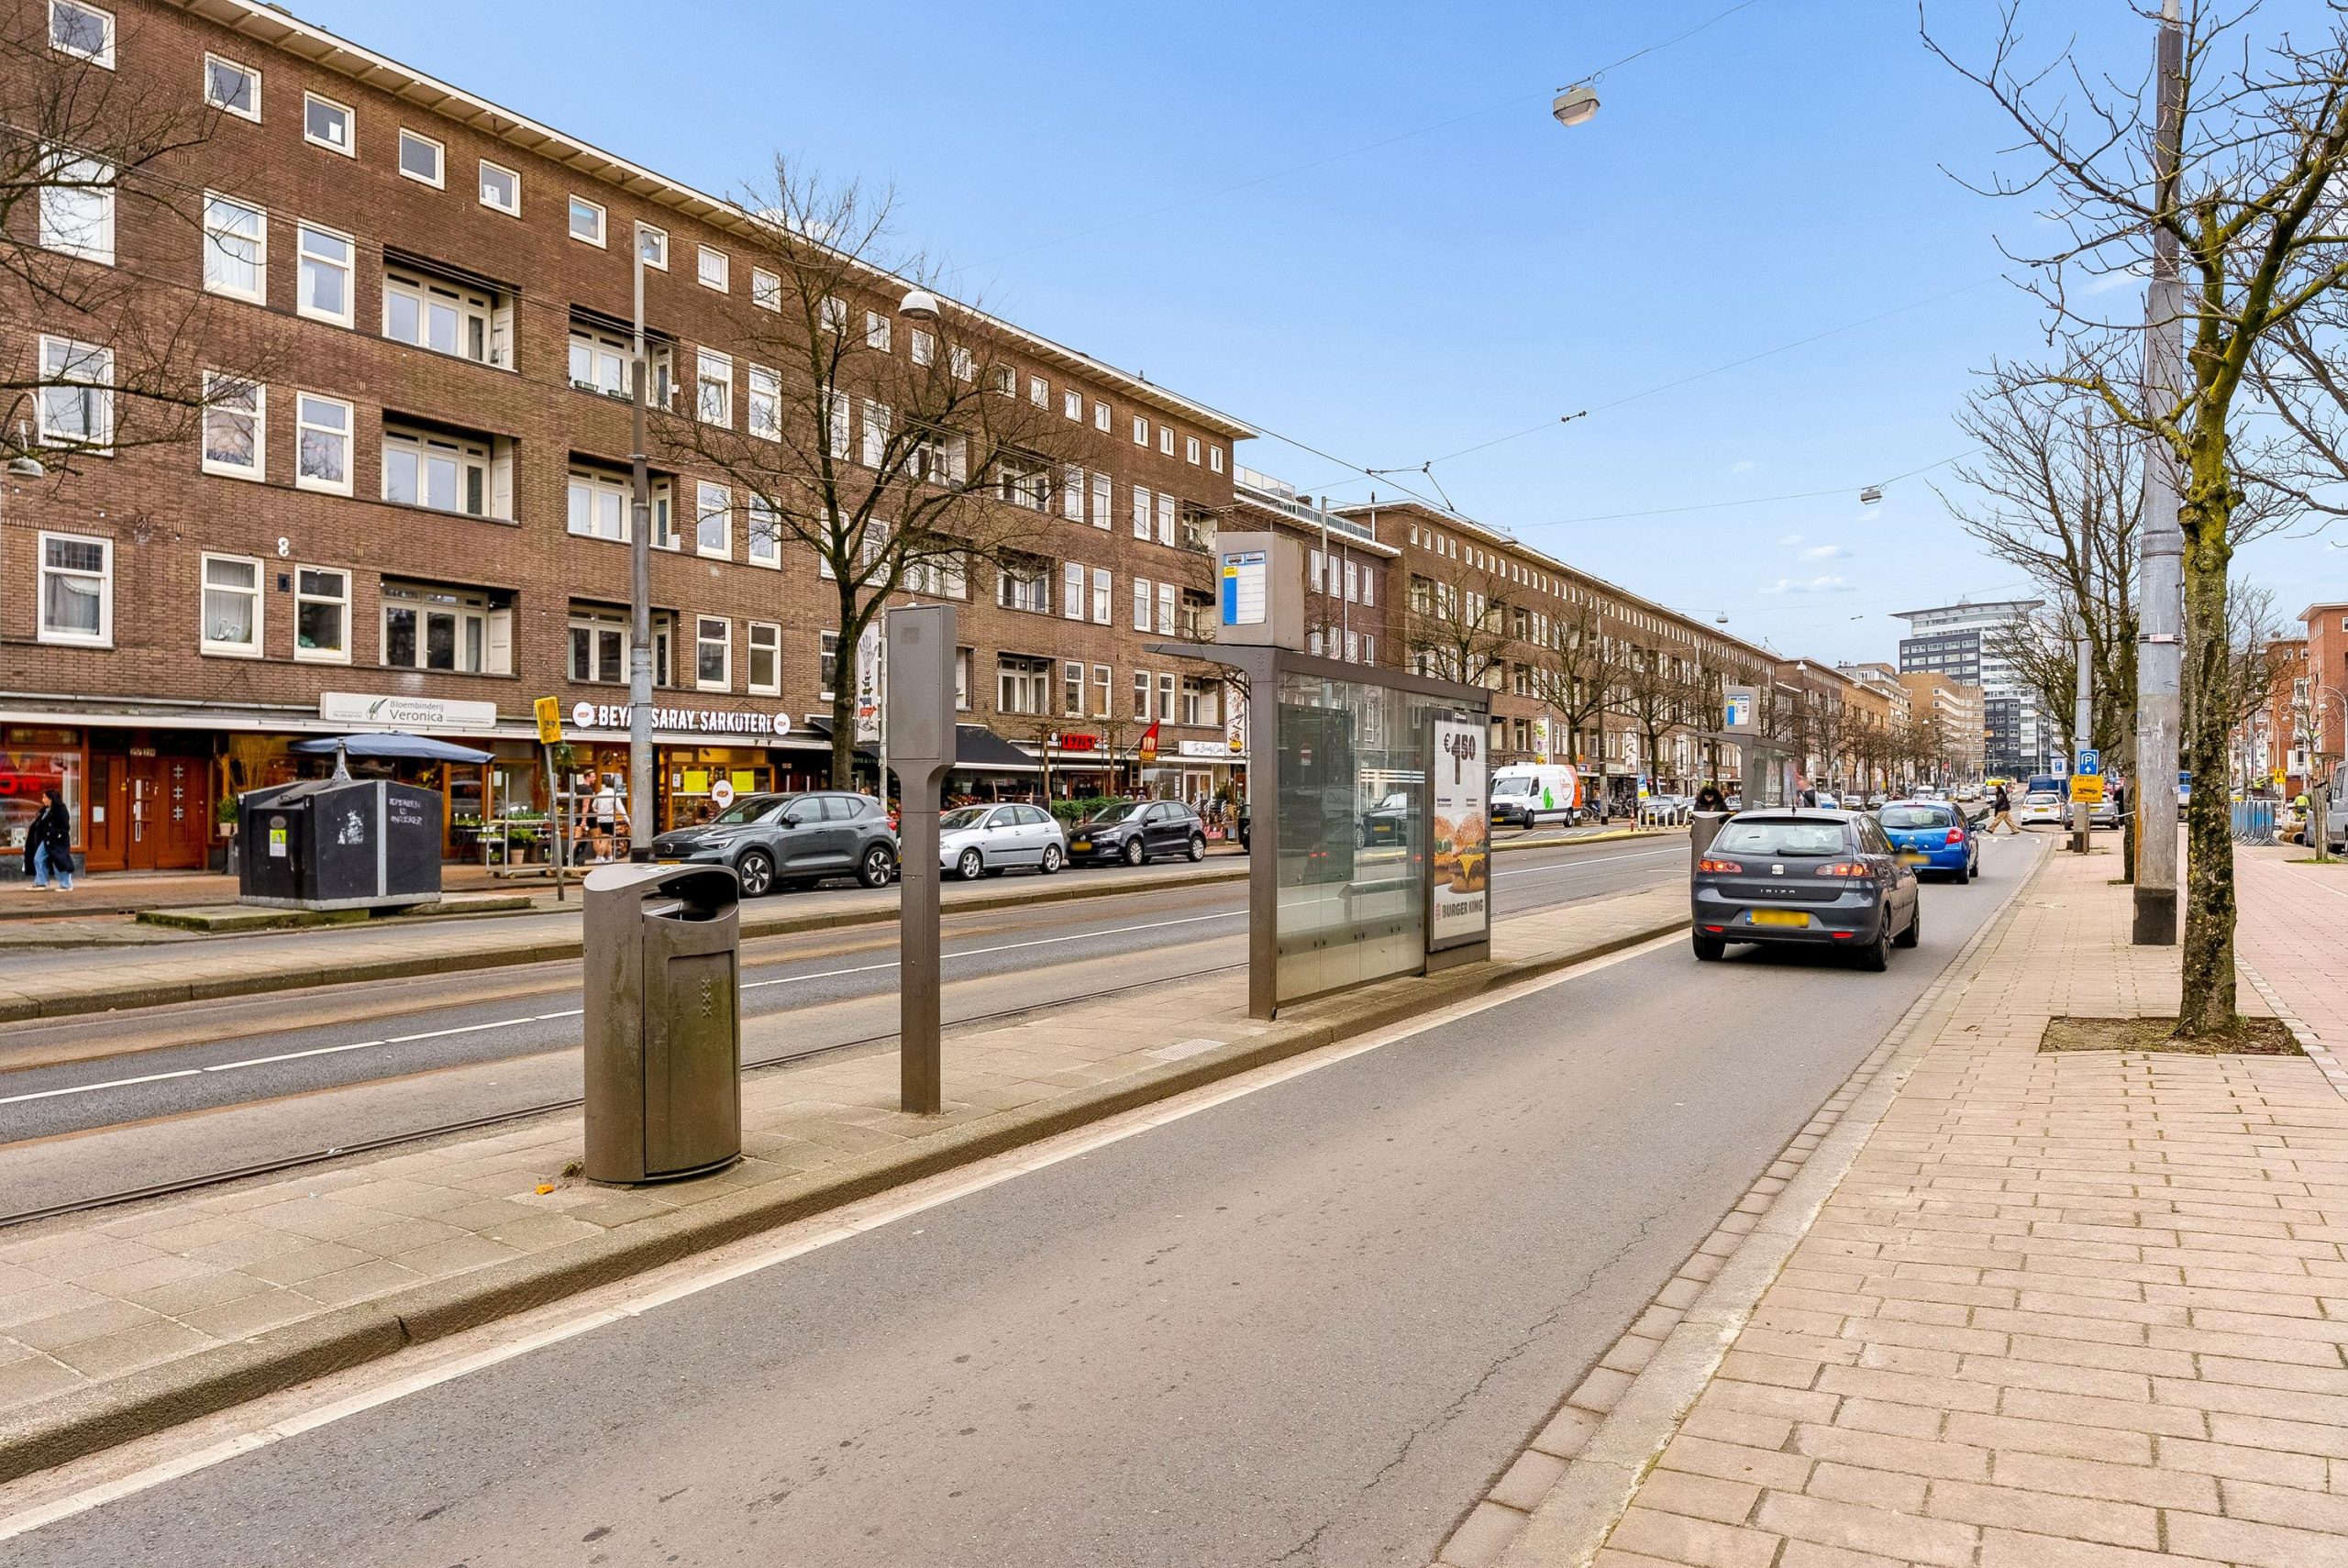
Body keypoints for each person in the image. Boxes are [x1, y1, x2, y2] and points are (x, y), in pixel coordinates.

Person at [26, 789, 74, 890]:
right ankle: (41, 882)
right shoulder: (45, 811)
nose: (43, 800)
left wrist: (58, 835)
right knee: (38, 859)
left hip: (57, 841)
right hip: (46, 840)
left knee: (59, 861)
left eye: (45, 797)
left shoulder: (61, 810)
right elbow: (41, 825)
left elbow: (65, 826)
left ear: (51, 799)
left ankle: (66, 884)